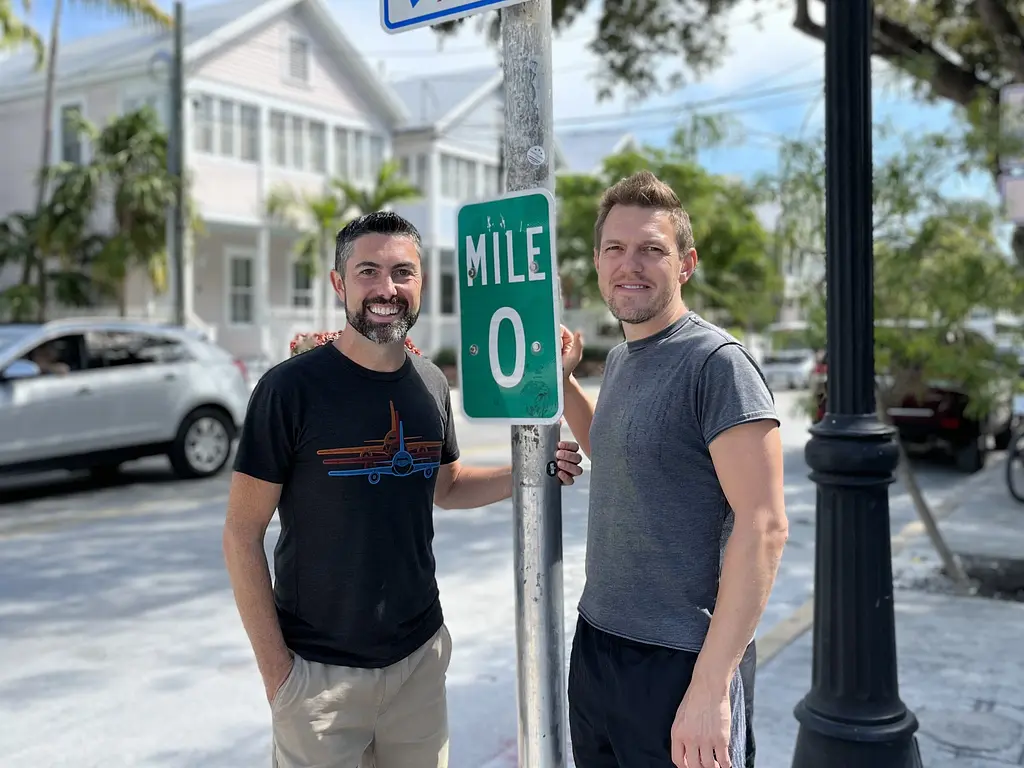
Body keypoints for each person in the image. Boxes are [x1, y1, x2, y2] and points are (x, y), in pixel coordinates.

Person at [222, 210, 585, 768]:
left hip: (418, 662)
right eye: (368, 271)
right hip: (319, 677)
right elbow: (242, 535)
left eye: (402, 272)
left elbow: (446, 485)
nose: (386, 288)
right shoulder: (288, 390)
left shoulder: (431, 384)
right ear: (339, 283)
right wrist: (280, 677)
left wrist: (528, 474)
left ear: (419, 283)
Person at [559, 170, 788, 768]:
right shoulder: (623, 359)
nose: (629, 264)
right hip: (599, 646)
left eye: (651, 250)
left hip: (682, 662)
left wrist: (711, 689)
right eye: (615, 249)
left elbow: (764, 528)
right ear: (598, 261)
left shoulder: (718, 363)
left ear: (684, 263)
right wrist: (559, 381)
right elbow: (616, 449)